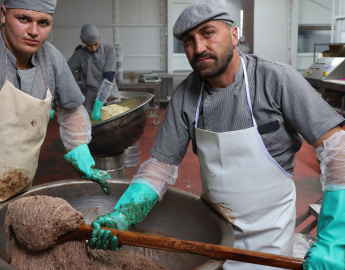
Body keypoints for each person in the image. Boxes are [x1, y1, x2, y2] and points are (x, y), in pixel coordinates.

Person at [87, 1, 345, 269]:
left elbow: (336, 148)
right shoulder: (185, 95)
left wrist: (333, 240)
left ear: (233, 36)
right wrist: (124, 214)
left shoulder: (275, 79)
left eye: (208, 33)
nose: (199, 48)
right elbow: (160, 167)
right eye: (189, 40)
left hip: (271, 241)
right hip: (214, 235)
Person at [0, 1, 111, 269]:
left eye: (43, 23)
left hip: (18, 193)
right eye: (23, 19)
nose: (34, 31)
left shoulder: (51, 59)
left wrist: (81, 152)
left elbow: (73, 110)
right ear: (4, 13)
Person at [67, 24, 120, 121]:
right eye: (90, 45)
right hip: (90, 99)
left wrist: (99, 103)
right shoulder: (79, 55)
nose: (94, 48)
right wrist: (53, 101)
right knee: (92, 130)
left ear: (99, 38)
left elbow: (109, 77)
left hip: (110, 96)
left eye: (96, 44)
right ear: (83, 42)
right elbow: (63, 75)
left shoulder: (109, 50)